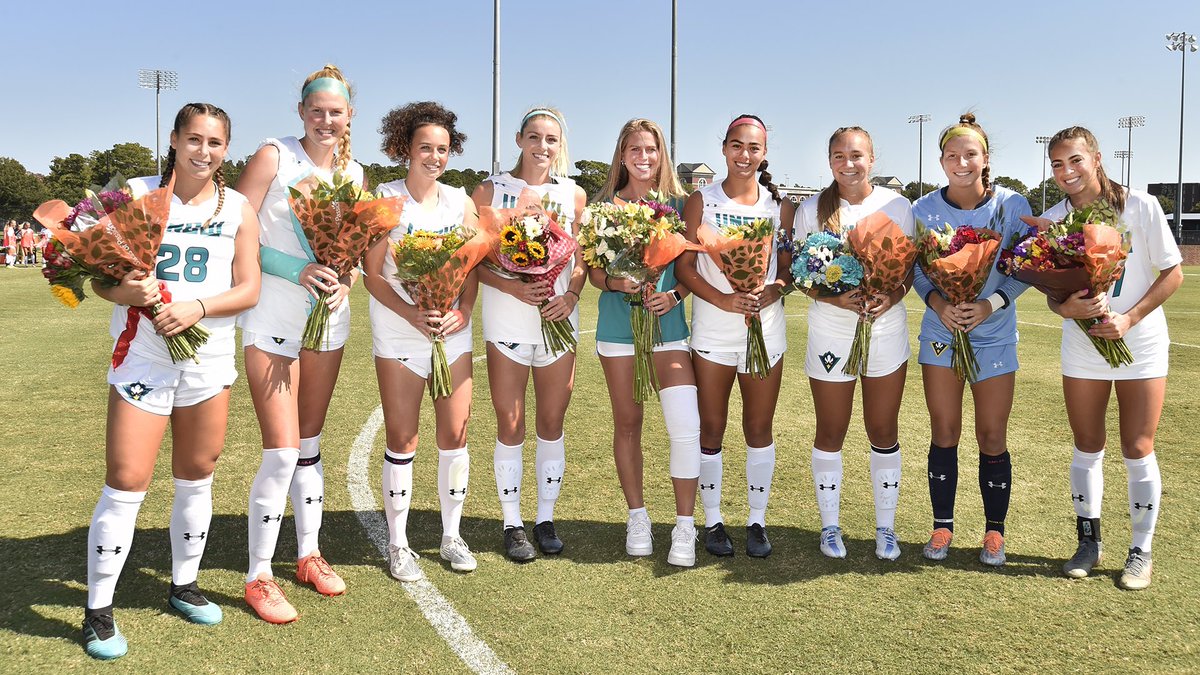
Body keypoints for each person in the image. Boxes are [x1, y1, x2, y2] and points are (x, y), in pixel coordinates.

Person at [82, 102, 260, 659]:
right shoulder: (136, 194)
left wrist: (198, 308)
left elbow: (248, 288)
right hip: (144, 356)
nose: (203, 152)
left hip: (207, 358)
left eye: (215, 143)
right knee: (127, 477)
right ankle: (98, 609)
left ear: (227, 149)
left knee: (198, 473)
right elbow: (98, 281)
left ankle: (184, 584)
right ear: (175, 140)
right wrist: (125, 293)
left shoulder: (238, 209)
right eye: (194, 140)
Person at [235, 64, 363, 623]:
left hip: (328, 321)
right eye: (317, 109)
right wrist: (297, 267)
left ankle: (308, 554)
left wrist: (345, 276)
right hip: (272, 315)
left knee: (309, 443)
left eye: (336, 111)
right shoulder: (273, 156)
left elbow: (354, 251)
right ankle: (258, 575)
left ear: (349, 115)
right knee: (282, 449)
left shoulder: (354, 172)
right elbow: (234, 230)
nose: (326, 119)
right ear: (301, 112)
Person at [1042, 126, 1183, 589]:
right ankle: (1089, 540)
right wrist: (1066, 307)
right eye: (1058, 165)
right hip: (1083, 347)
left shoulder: (1140, 206)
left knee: (1137, 445)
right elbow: (1051, 291)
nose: (1067, 173)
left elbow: (1172, 272)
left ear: (1096, 158)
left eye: (1075, 161)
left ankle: (1140, 549)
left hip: (1138, 344)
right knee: (1087, 444)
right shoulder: (1053, 219)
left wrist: (1129, 319)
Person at [364, 101, 480, 580]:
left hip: (452, 333)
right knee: (402, 437)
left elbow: (472, 266)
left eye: (443, 149)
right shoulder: (384, 199)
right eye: (425, 148)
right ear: (404, 149)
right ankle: (399, 543)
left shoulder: (461, 201)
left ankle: (451, 535)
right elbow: (372, 275)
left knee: (455, 434)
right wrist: (412, 312)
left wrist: (464, 311)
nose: (434, 157)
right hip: (398, 332)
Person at [912, 113, 1032, 567]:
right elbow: (918, 271)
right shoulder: (923, 209)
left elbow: (1025, 268)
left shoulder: (1011, 204)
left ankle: (994, 532)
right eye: (951, 155)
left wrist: (989, 305)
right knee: (944, 431)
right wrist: (941, 305)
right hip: (941, 334)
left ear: (985, 159)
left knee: (991, 435)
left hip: (994, 335)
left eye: (970, 154)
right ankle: (942, 527)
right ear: (941, 160)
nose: (961, 162)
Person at [470, 106, 587, 562]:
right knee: (511, 422)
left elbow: (582, 259)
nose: (542, 147)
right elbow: (475, 259)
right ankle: (511, 522)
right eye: (534, 137)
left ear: (561, 146)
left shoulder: (573, 195)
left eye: (552, 140)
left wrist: (572, 296)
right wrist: (511, 285)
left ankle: (545, 517)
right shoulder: (490, 190)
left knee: (552, 423)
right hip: (508, 321)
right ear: (518, 139)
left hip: (559, 322)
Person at [675, 114, 792, 559]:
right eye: (737, 146)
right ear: (724, 148)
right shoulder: (699, 201)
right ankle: (712, 521)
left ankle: (757, 521)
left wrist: (774, 291)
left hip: (767, 331)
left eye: (754, 148)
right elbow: (685, 267)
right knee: (712, 427)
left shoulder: (780, 208)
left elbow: (787, 270)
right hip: (713, 331)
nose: (745, 155)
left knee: (759, 427)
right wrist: (724, 301)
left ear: (764, 154)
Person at [794, 127, 914, 560]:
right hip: (831, 331)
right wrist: (835, 297)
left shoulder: (898, 205)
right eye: (839, 155)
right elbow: (800, 276)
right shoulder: (811, 209)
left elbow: (909, 273)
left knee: (883, 430)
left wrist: (891, 295)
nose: (849, 163)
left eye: (857, 155)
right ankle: (830, 527)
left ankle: (886, 528)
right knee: (831, 430)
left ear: (872, 159)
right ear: (829, 161)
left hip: (885, 330)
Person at [591, 119, 701, 567]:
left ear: (662, 154)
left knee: (685, 427)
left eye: (651, 149)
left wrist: (673, 294)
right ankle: (637, 517)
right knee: (628, 424)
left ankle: (685, 525)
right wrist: (620, 283)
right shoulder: (603, 207)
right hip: (618, 332)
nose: (643, 156)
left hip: (669, 331)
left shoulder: (681, 205)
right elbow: (595, 273)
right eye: (634, 148)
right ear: (622, 154)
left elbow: (692, 271)